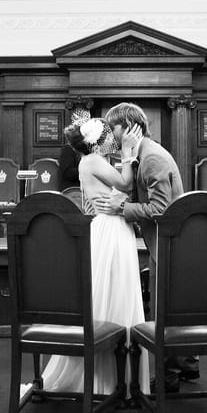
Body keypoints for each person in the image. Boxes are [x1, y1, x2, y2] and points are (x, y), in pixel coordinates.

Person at [41, 116, 150, 395]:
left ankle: (119, 375)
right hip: (110, 229)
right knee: (109, 293)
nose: (114, 140)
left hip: (112, 227)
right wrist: (128, 151)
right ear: (98, 141)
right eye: (109, 138)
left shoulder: (93, 161)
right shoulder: (92, 161)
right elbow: (125, 184)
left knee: (115, 292)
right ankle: (112, 378)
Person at [93, 102, 195, 392]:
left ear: (128, 128)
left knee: (165, 310)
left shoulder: (151, 158)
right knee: (171, 308)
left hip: (169, 245)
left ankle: (169, 378)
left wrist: (122, 206)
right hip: (164, 244)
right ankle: (185, 365)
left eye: (113, 129)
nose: (110, 138)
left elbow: (161, 210)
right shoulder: (144, 154)